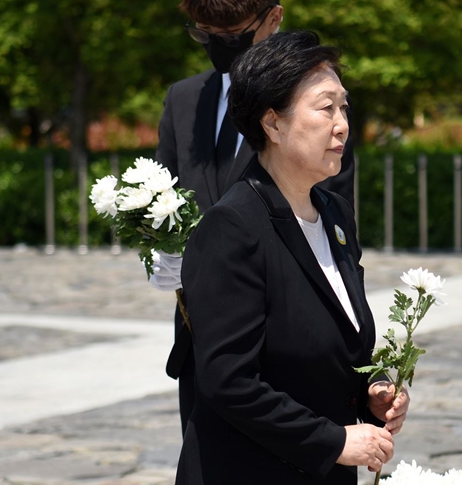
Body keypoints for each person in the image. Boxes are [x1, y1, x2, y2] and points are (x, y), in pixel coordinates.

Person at [176, 31, 409, 484]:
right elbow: (230, 381)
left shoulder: (335, 214)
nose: (341, 124)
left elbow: (335, 341)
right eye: (325, 108)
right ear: (273, 124)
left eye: (344, 107)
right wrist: (334, 442)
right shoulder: (232, 229)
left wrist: (371, 390)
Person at [150, 0, 356, 435]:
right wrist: (161, 254)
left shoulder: (317, 106)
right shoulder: (183, 98)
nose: (220, 45)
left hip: (288, 336)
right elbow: (162, 196)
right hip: (201, 331)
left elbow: (331, 229)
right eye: (205, 33)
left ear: (274, 17)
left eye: (234, 33)